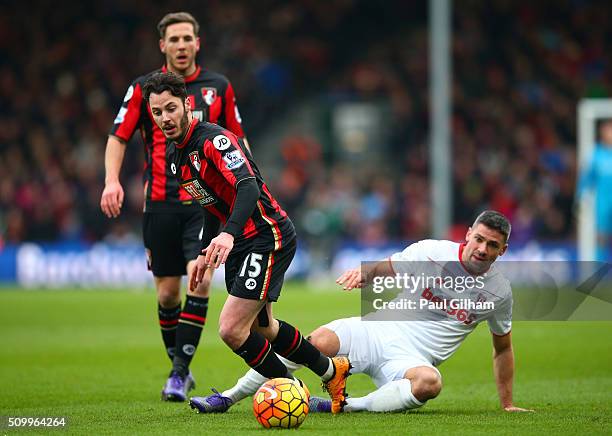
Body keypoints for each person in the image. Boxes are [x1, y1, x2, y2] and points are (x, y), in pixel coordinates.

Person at [142, 71, 350, 413]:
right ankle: (332, 370)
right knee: (263, 328)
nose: (165, 118)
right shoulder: (177, 158)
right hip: (241, 242)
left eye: (170, 108)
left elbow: (248, 186)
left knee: (231, 328)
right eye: (157, 112)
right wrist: (204, 251)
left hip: (266, 235)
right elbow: (210, 205)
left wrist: (228, 233)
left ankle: (292, 392)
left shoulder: (214, 139)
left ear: (186, 105)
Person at [190, 211, 533, 414]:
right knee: (318, 341)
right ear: (468, 235)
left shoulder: (499, 292)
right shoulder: (432, 252)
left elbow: (502, 347)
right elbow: (388, 267)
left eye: (492, 245)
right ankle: (229, 397)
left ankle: (345, 406)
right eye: (479, 240)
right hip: (376, 329)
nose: (482, 249)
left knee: (430, 383)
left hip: (410, 359)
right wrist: (363, 273)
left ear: (502, 251)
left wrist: (506, 404)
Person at [100, 12, 246, 402]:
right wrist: (112, 181)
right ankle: (179, 366)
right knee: (167, 295)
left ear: (198, 43)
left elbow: (239, 142)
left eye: (187, 38)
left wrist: (247, 189)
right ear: (162, 45)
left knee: (198, 281)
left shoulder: (219, 87)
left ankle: (178, 373)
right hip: (160, 205)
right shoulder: (145, 89)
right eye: (174, 39)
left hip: (203, 205)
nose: (181, 45)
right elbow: (118, 136)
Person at [577, 119, 612, 261]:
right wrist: (581, 199)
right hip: (603, 202)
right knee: (601, 236)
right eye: (608, 130)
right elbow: (586, 180)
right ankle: (599, 267)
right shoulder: (596, 154)